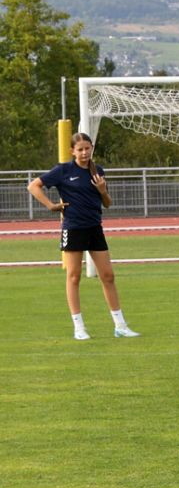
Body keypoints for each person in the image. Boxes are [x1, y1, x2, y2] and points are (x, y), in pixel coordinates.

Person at [26, 132, 140, 341]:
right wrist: (50, 205)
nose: (84, 152)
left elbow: (107, 203)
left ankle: (120, 326)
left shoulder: (98, 171)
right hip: (73, 228)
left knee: (108, 276)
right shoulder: (63, 171)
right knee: (74, 276)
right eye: (80, 149)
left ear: (92, 148)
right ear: (72, 151)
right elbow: (33, 186)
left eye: (87, 148)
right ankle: (79, 327)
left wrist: (103, 190)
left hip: (94, 228)